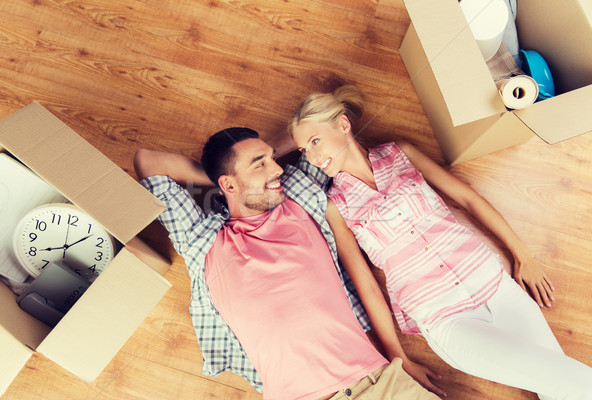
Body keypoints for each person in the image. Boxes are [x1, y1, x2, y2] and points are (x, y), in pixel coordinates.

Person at [288, 84, 592, 399]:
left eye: (314, 141)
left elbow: (467, 198)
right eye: (304, 151)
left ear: (343, 124)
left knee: (561, 383)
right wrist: (399, 358)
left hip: (496, 285)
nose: (312, 156)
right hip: (447, 318)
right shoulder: (336, 205)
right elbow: (365, 283)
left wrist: (522, 255)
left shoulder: (399, 153)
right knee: (568, 377)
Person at [134, 127, 441, 400]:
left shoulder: (301, 196)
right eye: (261, 163)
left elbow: (309, 128)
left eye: (272, 158)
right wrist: (226, 179)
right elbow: (147, 162)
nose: (277, 168)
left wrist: (400, 358)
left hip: (379, 385)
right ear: (227, 185)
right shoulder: (203, 240)